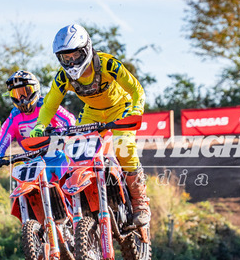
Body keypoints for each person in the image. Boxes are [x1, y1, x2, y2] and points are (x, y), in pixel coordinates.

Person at [30, 23, 150, 226]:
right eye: (65, 58)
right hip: (92, 113)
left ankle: (140, 203)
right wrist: (40, 125)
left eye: (75, 55)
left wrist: (136, 109)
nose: (71, 61)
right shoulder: (63, 77)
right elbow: (49, 105)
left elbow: (136, 89)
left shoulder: (107, 64)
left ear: (86, 49)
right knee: (77, 154)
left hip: (120, 107)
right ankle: (86, 204)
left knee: (124, 146)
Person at [0, 70, 75, 180]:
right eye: (16, 94)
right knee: (24, 186)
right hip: (34, 164)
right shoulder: (14, 117)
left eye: (26, 92)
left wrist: (70, 134)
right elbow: (1, 141)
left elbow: (69, 120)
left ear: (36, 89)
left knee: (71, 181)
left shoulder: (47, 106)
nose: (22, 98)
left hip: (58, 158)